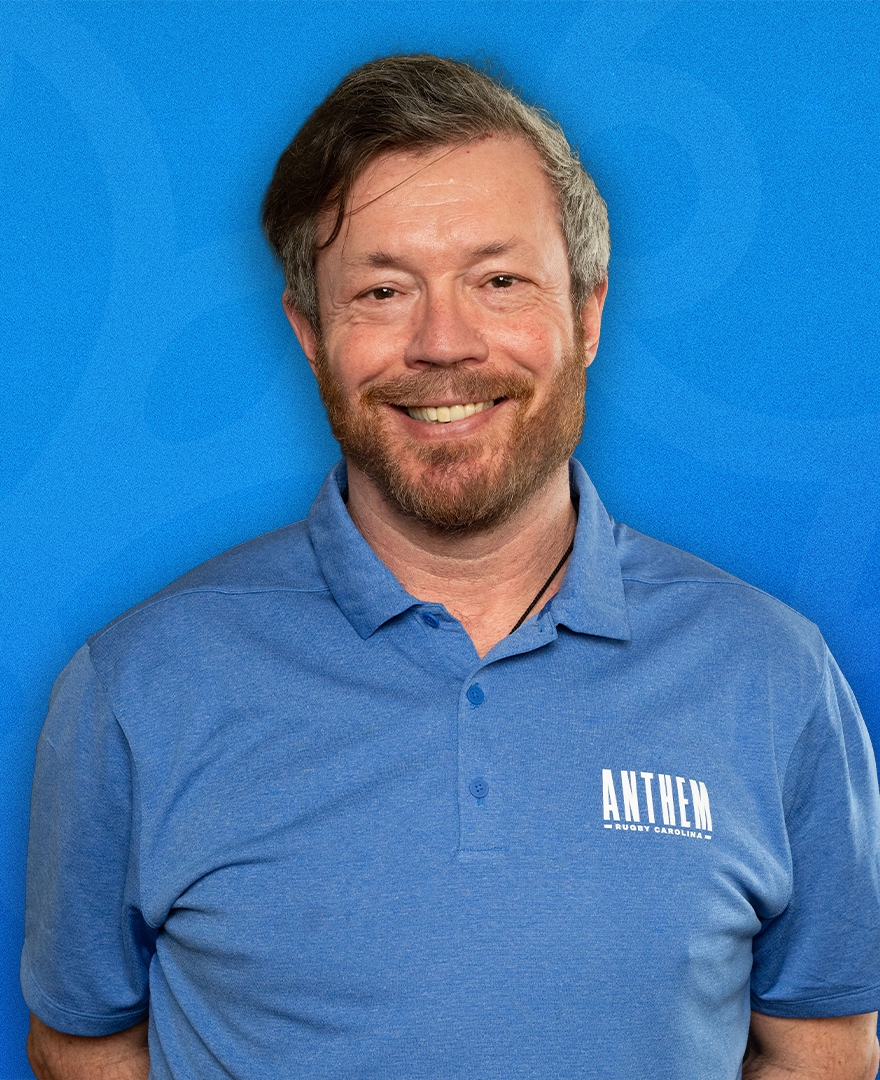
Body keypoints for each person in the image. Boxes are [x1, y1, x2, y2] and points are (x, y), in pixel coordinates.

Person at [22, 54, 880, 1080]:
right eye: (383, 290)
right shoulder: (135, 688)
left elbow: (820, 1050)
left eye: (499, 281)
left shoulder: (773, 675)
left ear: (587, 313)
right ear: (310, 332)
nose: (443, 343)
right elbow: (80, 1046)